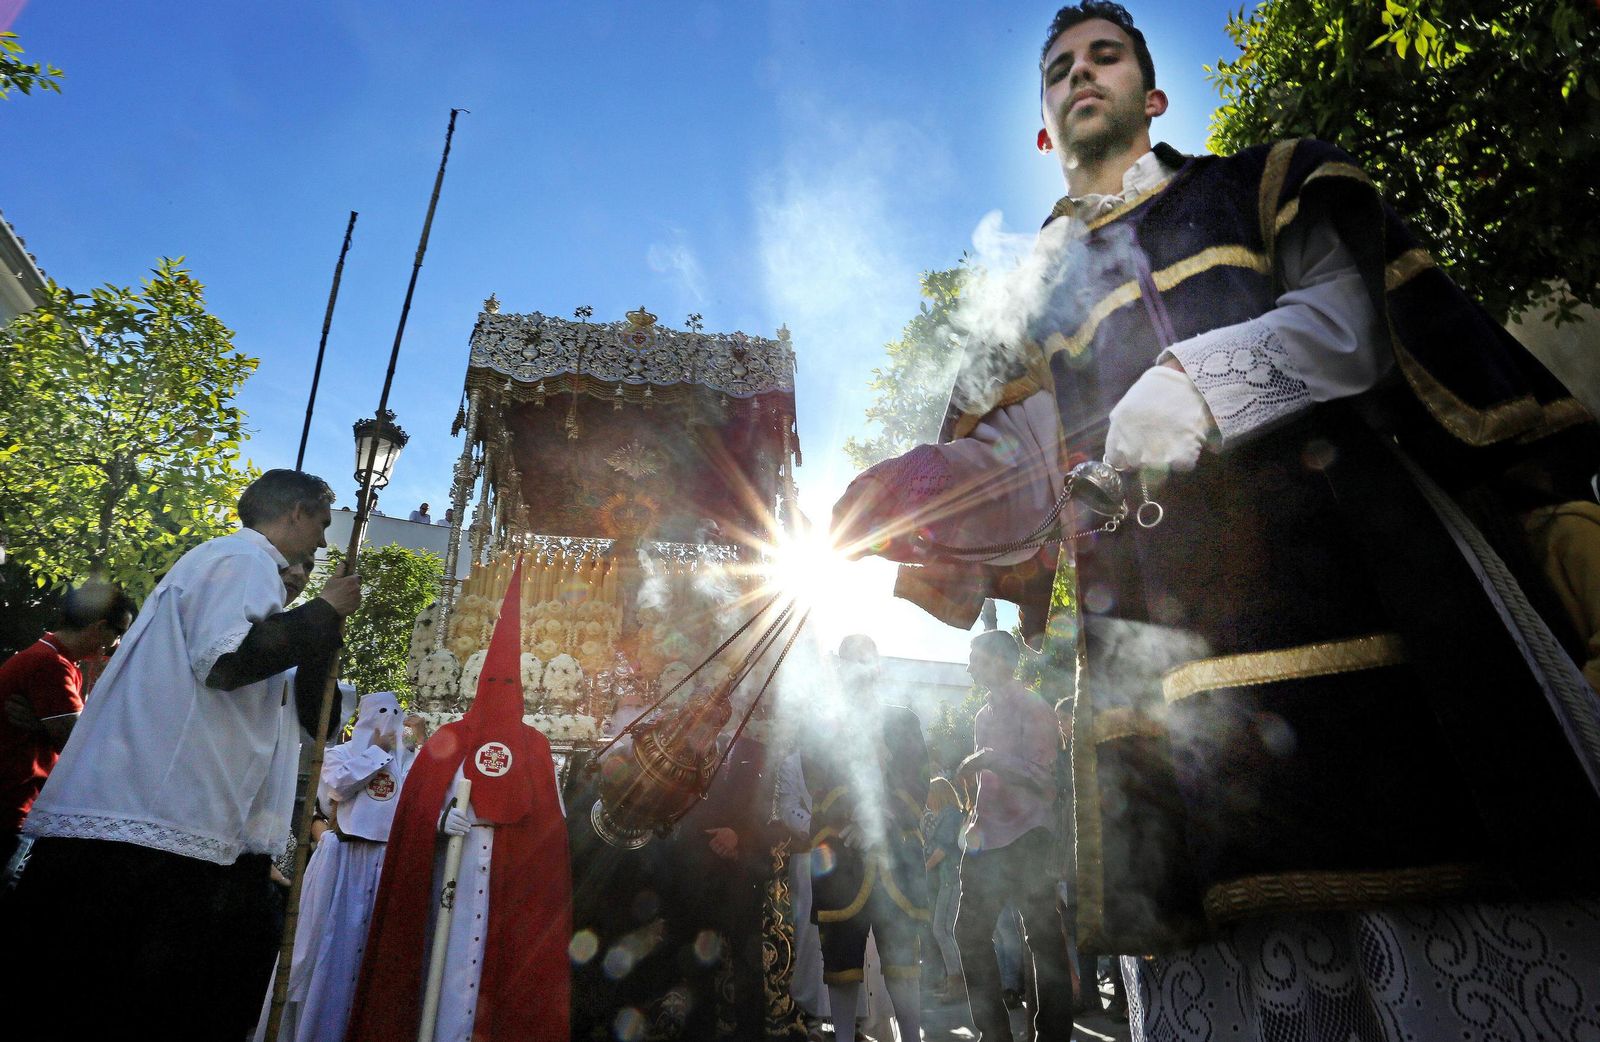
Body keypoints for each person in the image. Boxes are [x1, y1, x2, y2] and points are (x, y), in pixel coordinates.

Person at [831, 4, 1600, 1039]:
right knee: (1235, 933)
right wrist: (916, 497)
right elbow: (1021, 482)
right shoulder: (1032, 298)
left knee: (1420, 885)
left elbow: (1351, 323)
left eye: (1104, 56)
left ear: (1150, 97)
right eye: (1059, 68)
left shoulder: (1255, 182)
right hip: (1167, 658)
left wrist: (1197, 380)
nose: (1079, 74)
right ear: (1044, 130)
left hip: (1356, 584)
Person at [1, 469, 360, 1041]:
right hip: (153, 831)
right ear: (295, 511)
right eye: (320, 523)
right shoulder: (239, 561)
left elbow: (316, 719)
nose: (321, 541)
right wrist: (320, 611)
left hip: (192, 838)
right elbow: (224, 664)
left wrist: (322, 623)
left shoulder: (245, 576)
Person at [345, 558, 570, 1042]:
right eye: (494, 683)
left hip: (506, 876)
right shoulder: (448, 738)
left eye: (509, 685)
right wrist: (440, 819)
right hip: (452, 866)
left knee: (495, 961)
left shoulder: (534, 747)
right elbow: (417, 806)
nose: (500, 693)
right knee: (439, 965)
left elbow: (551, 825)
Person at [256, 691, 415, 1042]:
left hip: (385, 861)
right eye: (380, 711)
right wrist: (377, 752)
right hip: (342, 859)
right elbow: (338, 791)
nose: (389, 718)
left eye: (396, 711)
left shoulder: (409, 761)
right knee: (327, 949)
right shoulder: (338, 756)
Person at [798, 634, 930, 1042]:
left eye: (866, 659)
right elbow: (817, 780)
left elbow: (916, 777)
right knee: (839, 964)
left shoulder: (902, 718)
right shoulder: (821, 723)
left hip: (895, 852)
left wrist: (880, 817)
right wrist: (852, 814)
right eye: (851, 660)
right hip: (843, 853)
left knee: (904, 964)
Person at [952, 630, 1075, 1041]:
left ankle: (1053, 1034)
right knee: (967, 932)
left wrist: (991, 760)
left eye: (976, 658)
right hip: (987, 837)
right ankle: (996, 1036)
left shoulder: (1034, 707)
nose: (969, 667)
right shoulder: (981, 717)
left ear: (1001, 661)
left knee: (1041, 935)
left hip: (1029, 835)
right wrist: (973, 806)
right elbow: (989, 779)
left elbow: (1044, 780)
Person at [0, 581, 135, 884]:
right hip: (12, 807)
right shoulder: (51, 664)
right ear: (100, 628)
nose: (117, 644)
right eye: (118, 633)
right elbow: (80, 748)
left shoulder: (55, 659)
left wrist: (40, 726)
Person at [922, 775, 966, 1002]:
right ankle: (956, 983)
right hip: (946, 881)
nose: (926, 799)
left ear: (937, 793)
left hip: (951, 879)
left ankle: (958, 984)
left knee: (944, 930)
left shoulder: (950, 816)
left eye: (928, 794)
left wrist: (923, 869)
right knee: (945, 931)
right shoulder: (945, 816)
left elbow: (944, 849)